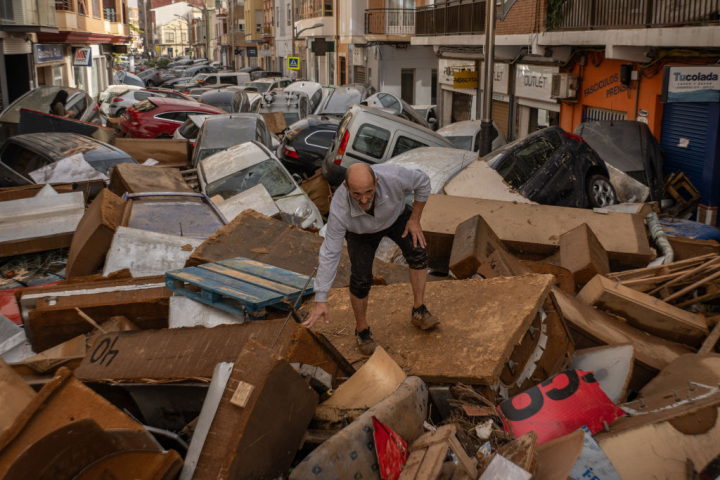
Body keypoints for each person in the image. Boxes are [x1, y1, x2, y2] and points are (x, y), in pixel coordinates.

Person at [303, 162, 439, 355]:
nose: (364, 200)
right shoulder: (339, 210)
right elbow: (330, 253)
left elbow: (423, 182)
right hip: (360, 232)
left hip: (396, 217)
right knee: (361, 279)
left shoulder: (395, 177)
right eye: (357, 194)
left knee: (418, 253)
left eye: (368, 191)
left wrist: (415, 219)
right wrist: (321, 297)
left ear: (376, 182)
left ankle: (419, 309)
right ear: (346, 187)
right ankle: (362, 331)